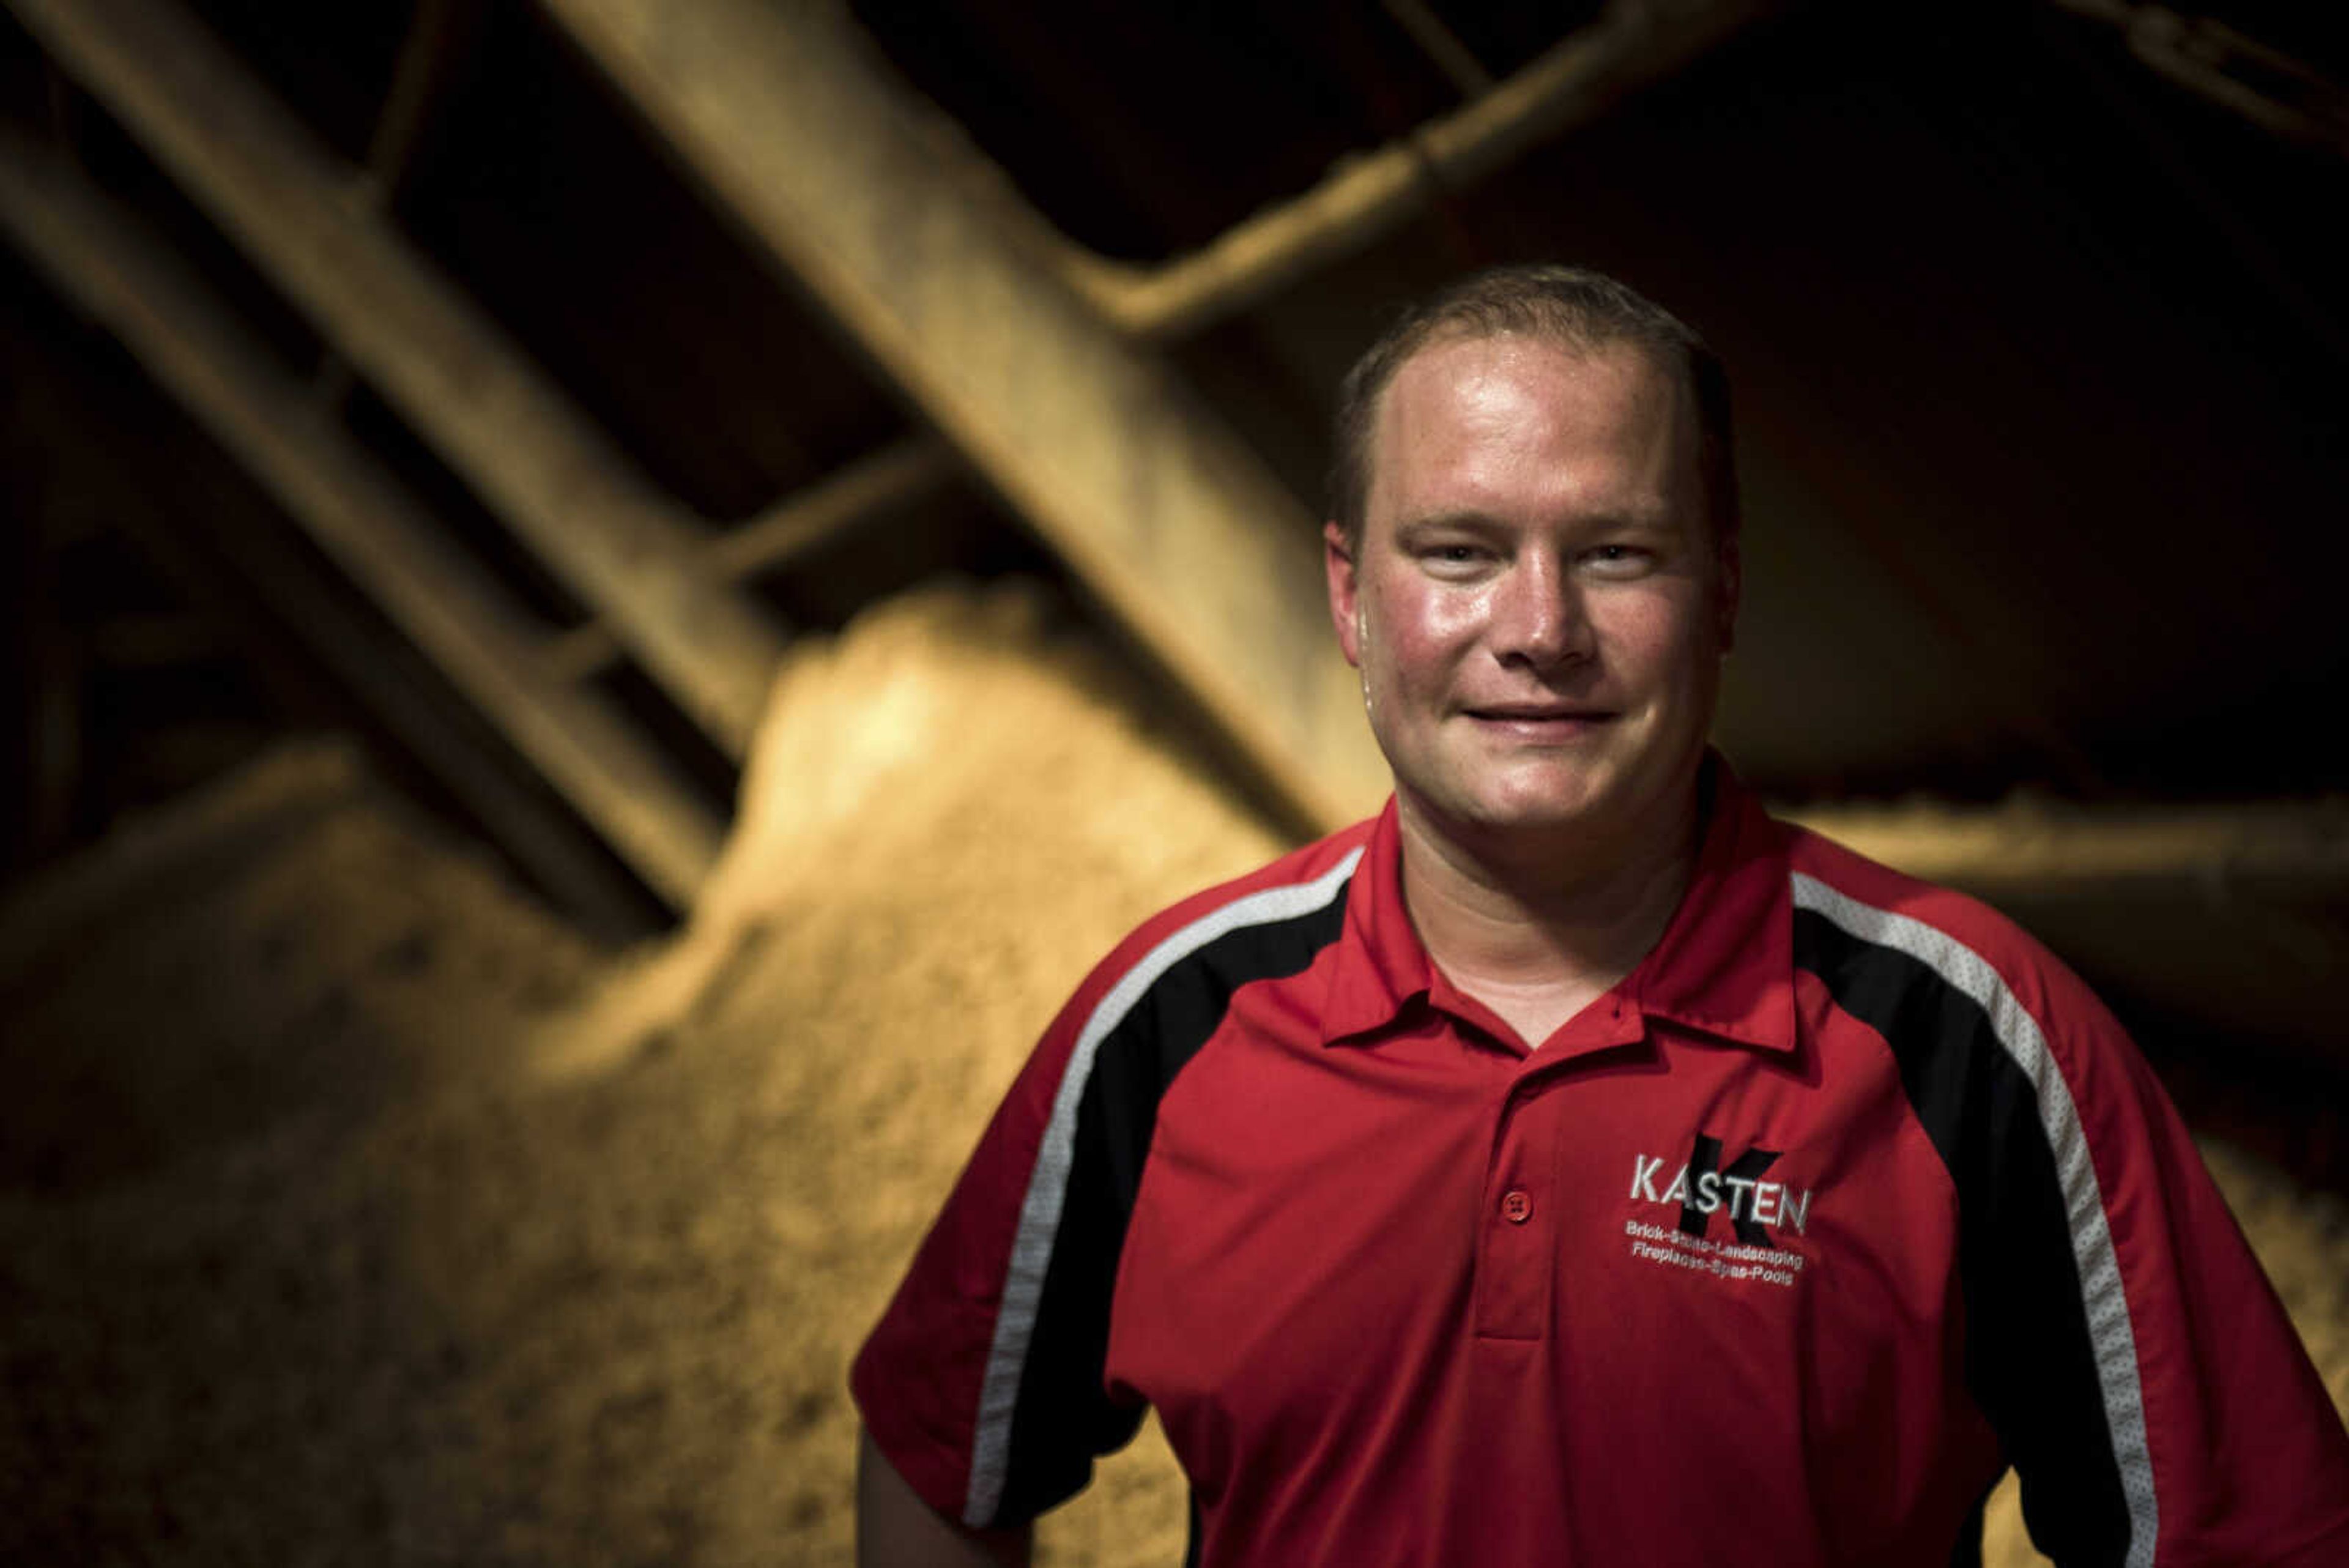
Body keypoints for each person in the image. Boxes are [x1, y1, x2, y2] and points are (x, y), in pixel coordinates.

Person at [851, 264, 2349, 1566]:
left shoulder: (1968, 1036)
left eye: (1616, 553)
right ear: (1353, 596)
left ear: (1724, 592)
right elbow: (939, 1449)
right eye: (1460, 552)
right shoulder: (1169, 1023)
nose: (1539, 629)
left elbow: (2245, 1530)